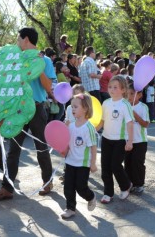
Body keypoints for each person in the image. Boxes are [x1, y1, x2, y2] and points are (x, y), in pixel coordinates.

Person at [0, 27, 55, 201]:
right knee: (13, 150)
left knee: (41, 147)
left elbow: (49, 88)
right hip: (16, 109)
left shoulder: (45, 60)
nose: (17, 42)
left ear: (26, 39)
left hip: (36, 107)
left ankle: (47, 181)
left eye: (18, 38)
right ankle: (7, 188)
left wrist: (38, 67)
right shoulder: (14, 58)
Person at [97, 75, 134, 204]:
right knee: (105, 167)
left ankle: (125, 185)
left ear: (123, 90)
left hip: (120, 140)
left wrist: (130, 141)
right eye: (110, 87)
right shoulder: (106, 103)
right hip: (106, 139)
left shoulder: (125, 104)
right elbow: (102, 120)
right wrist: (94, 129)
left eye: (115, 87)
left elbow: (130, 123)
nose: (111, 89)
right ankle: (108, 193)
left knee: (115, 165)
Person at [60, 93, 97, 219]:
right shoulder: (70, 125)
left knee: (81, 188)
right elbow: (67, 142)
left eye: (75, 107)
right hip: (70, 161)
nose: (72, 109)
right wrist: (64, 150)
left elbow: (93, 146)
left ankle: (91, 197)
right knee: (68, 187)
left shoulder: (89, 128)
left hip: (83, 163)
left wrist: (93, 163)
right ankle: (70, 208)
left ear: (85, 108)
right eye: (71, 107)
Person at [125, 83, 149, 194]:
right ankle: (130, 184)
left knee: (137, 163)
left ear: (139, 95)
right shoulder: (124, 106)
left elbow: (145, 124)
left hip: (140, 141)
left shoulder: (143, 107)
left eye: (132, 94)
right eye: (128, 94)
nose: (129, 96)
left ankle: (139, 184)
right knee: (128, 163)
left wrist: (133, 113)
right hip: (127, 140)